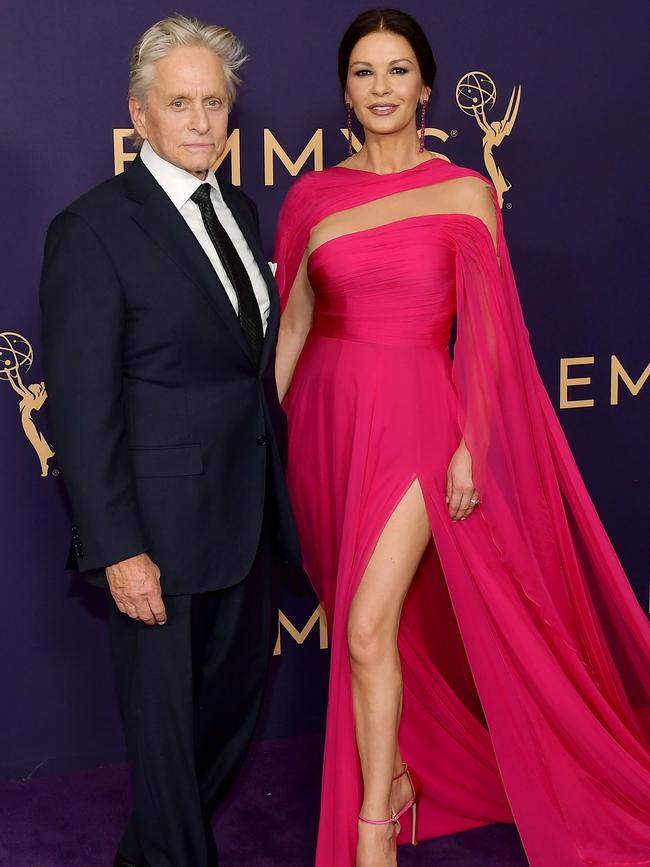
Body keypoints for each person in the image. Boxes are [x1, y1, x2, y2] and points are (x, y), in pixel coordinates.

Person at [274, 9, 650, 867]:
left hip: (416, 417)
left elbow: (488, 334)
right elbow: (293, 328)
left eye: (397, 70)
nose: (381, 88)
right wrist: (282, 444)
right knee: (373, 628)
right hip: (324, 430)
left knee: (368, 626)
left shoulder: (465, 188)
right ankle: (399, 774)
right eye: (364, 72)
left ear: (426, 84)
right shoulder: (311, 196)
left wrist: (472, 443)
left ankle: (373, 831)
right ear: (344, 90)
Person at [40, 15, 299, 867]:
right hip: (154, 537)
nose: (198, 120)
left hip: (242, 521)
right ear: (138, 114)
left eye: (213, 103)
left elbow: (243, 368)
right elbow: (82, 407)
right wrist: (118, 547)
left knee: (225, 719)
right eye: (178, 102)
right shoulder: (93, 230)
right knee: (164, 745)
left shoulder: (241, 208)